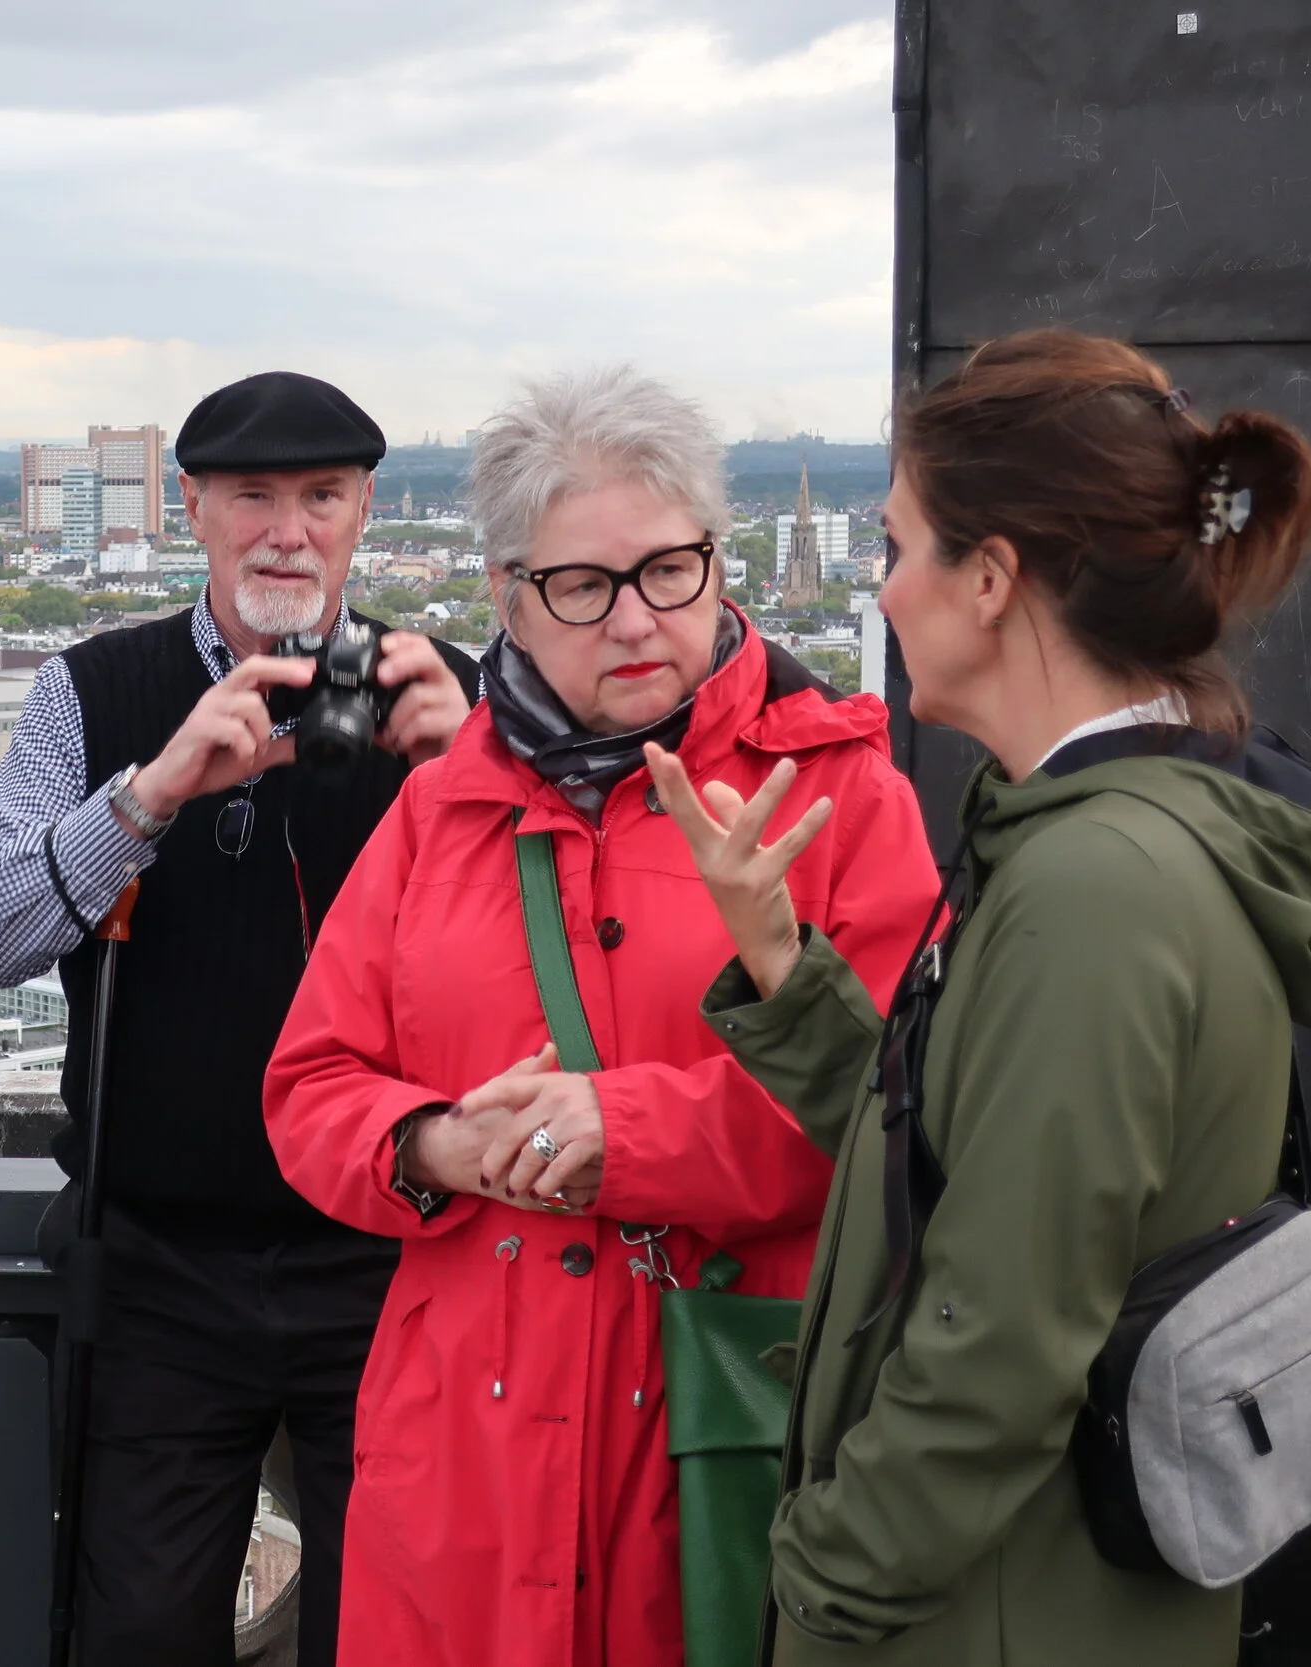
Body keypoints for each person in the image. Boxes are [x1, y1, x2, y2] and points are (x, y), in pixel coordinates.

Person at [649, 329, 1311, 1665]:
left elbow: (995, 1347)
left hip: (989, 1617)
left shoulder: (1093, 886)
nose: (882, 586)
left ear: (990, 577)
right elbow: (960, 1167)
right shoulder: (1117, 835)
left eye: (899, 543)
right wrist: (782, 962)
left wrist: (817, 1584)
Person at [261, 366, 942, 1666]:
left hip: (720, 1427)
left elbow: (896, 1109)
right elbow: (310, 1085)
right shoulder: (441, 807)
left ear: (720, 557)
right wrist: (434, 1144)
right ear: (508, 595)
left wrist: (616, 1131)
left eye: (670, 571)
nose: (635, 619)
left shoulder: (835, 789)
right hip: (466, 1452)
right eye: (582, 584)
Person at [0, 371, 481, 1665]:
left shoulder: (447, 692)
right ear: (189, 506)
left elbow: (561, 964)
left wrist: (477, 780)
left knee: (395, 1630)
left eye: (322, 496)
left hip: (397, 1251)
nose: (288, 532)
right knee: (136, 1627)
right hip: (158, 1267)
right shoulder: (96, 690)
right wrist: (152, 791)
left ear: (366, 512)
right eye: (253, 496)